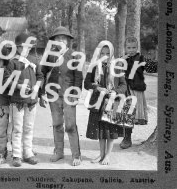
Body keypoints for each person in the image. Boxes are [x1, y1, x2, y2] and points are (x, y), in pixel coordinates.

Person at [40, 26, 83, 166]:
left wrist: (76, 93)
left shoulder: (74, 55)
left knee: (70, 125)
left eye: (63, 38)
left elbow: (78, 76)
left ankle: (76, 155)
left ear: (68, 41)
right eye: (58, 38)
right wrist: (41, 93)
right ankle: (59, 152)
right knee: (57, 124)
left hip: (69, 95)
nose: (61, 41)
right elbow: (42, 74)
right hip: (53, 95)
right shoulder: (48, 55)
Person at [84, 42, 127, 165]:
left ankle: (108, 155)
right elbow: (86, 83)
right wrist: (96, 87)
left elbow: (123, 85)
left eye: (108, 53)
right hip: (98, 102)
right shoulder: (93, 66)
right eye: (102, 53)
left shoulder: (117, 66)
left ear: (112, 53)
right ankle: (101, 154)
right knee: (101, 130)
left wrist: (115, 92)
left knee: (110, 130)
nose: (105, 56)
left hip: (112, 103)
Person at [7, 33, 43, 167]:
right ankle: (16, 155)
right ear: (17, 47)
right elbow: (7, 80)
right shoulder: (12, 62)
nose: (26, 49)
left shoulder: (34, 60)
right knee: (17, 128)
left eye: (28, 46)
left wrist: (36, 88)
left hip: (32, 100)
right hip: (17, 100)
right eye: (23, 47)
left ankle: (28, 153)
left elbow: (40, 76)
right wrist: (19, 85)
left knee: (29, 127)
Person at [119, 36, 158, 149]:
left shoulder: (141, 58)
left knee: (132, 114)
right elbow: (114, 70)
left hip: (136, 90)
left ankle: (127, 137)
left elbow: (152, 67)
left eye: (134, 47)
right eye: (129, 47)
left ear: (137, 47)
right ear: (125, 48)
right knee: (126, 114)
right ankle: (126, 137)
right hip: (124, 90)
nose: (131, 50)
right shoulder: (122, 59)